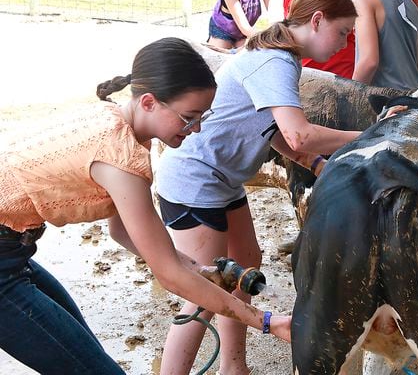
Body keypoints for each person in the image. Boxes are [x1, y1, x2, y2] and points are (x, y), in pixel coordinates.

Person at [0, 37, 291, 375]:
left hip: (14, 254)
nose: (196, 129)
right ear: (150, 102)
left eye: (202, 117)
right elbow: (170, 276)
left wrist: (195, 269)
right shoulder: (119, 161)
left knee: (87, 356)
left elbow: (121, 231)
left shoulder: (115, 122)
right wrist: (268, 321)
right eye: (189, 117)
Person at [156, 0, 362, 375]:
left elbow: (276, 131)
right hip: (195, 181)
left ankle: (235, 367)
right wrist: (365, 137)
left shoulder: (283, 56)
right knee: (204, 290)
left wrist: (317, 164)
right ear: (316, 21)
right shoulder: (275, 61)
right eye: (342, 32)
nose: (344, 43)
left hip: (221, 180)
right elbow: (299, 132)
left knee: (245, 264)